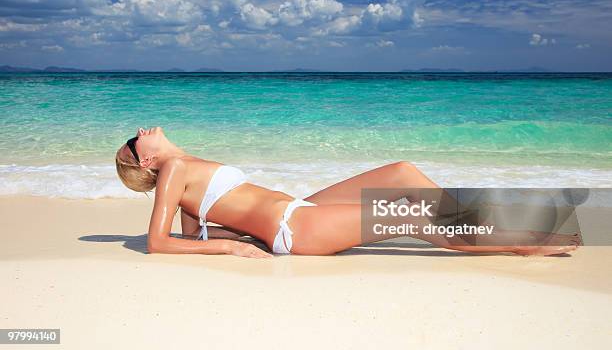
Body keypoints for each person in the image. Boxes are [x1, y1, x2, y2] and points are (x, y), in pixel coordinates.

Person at [115, 127, 579, 258]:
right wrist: (228, 247)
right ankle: (523, 241)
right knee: (413, 217)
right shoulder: (174, 168)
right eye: (137, 141)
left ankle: (478, 224)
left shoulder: (187, 165)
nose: (142, 131)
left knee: (402, 173)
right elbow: (160, 242)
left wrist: (229, 233)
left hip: (299, 209)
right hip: (297, 229)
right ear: (146, 161)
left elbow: (191, 232)